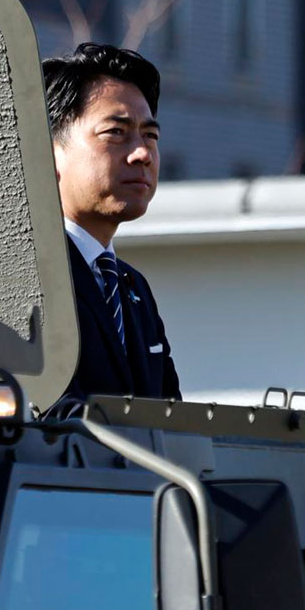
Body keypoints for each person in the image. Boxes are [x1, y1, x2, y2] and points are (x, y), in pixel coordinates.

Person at [43, 42, 181, 403]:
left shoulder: (133, 288)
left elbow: (171, 423)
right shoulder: (21, 276)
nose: (142, 153)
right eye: (115, 133)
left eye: (150, 135)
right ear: (46, 149)